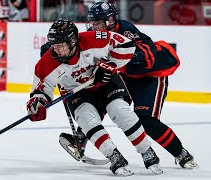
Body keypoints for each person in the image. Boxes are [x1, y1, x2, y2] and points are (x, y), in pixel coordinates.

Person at [59, 2, 198, 169]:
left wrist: (117, 58)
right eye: (93, 23)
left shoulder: (125, 30)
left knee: (146, 121)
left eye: (99, 23)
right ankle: (81, 137)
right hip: (127, 75)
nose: (95, 28)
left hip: (150, 76)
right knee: (103, 96)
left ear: (110, 20)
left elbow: (147, 54)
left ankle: (181, 153)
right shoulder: (95, 35)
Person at [27, 19, 163, 176]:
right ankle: (114, 156)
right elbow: (41, 90)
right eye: (54, 45)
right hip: (77, 91)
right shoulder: (46, 63)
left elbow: (127, 45)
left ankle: (147, 151)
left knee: (120, 111)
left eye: (60, 45)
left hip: (105, 82)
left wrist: (107, 65)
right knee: (87, 120)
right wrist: (37, 104)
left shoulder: (93, 39)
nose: (56, 50)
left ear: (72, 41)